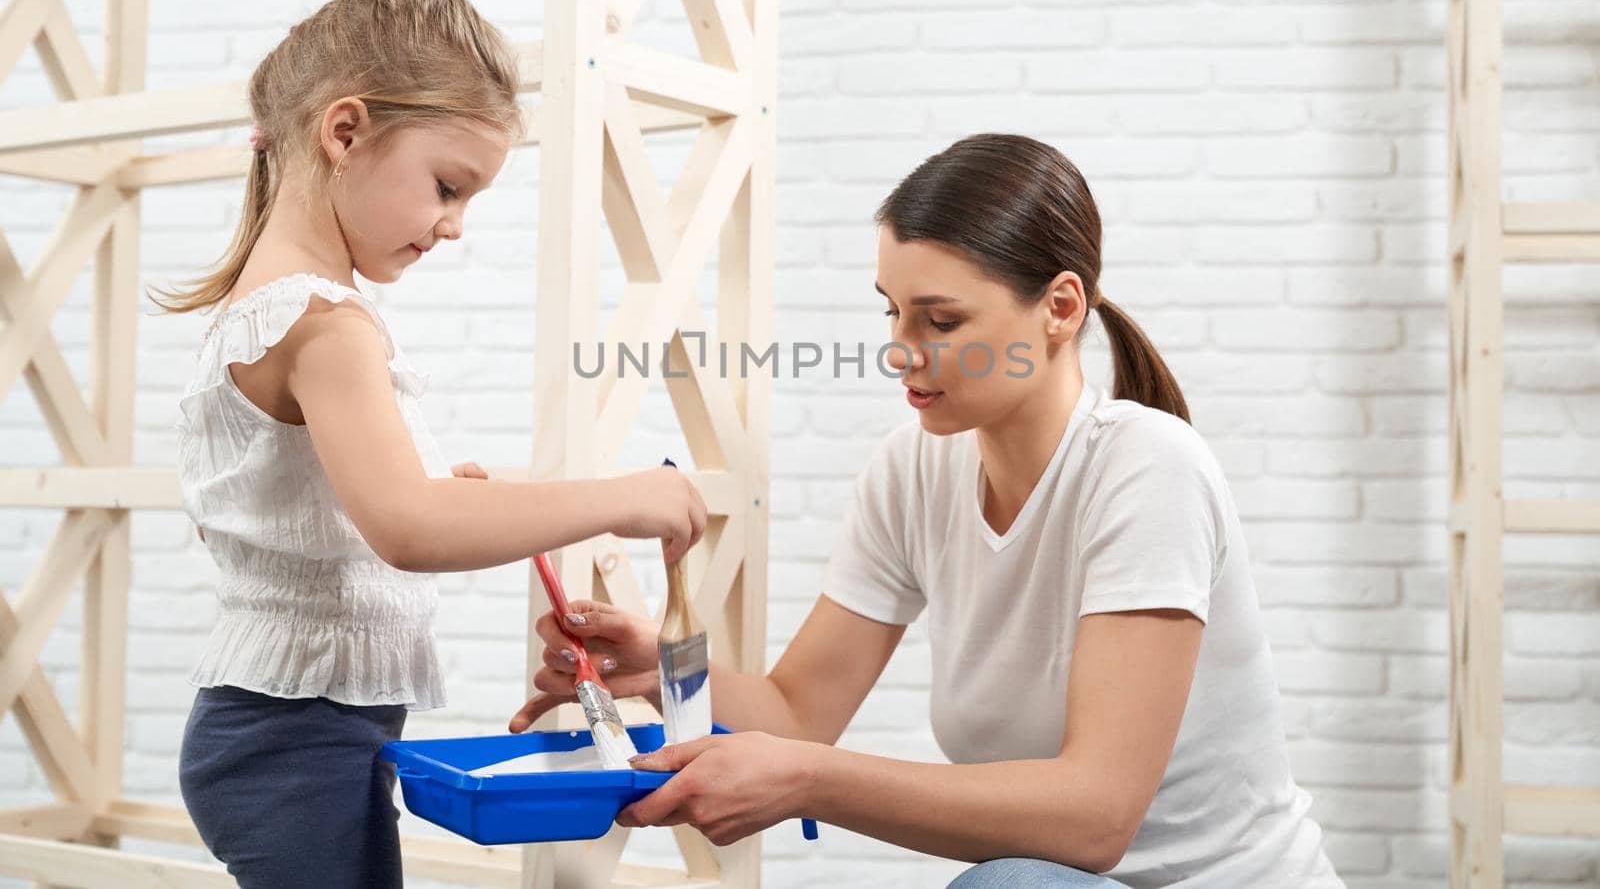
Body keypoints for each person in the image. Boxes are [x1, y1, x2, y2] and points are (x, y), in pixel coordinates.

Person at [513, 134, 1345, 888]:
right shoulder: (915, 469)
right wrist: (660, 666)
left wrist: (806, 780)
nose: (900, 350)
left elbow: (1095, 817)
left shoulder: (1146, 468)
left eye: (940, 320)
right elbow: (801, 712)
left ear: (1060, 308)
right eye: (892, 310)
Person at [155, 0, 708, 889]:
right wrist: (623, 498)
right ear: (344, 132)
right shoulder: (324, 321)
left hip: (290, 732)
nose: (454, 226)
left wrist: (425, 484)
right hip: (296, 741)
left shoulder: (280, 307)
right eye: (449, 187)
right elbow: (411, 530)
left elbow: (296, 505)